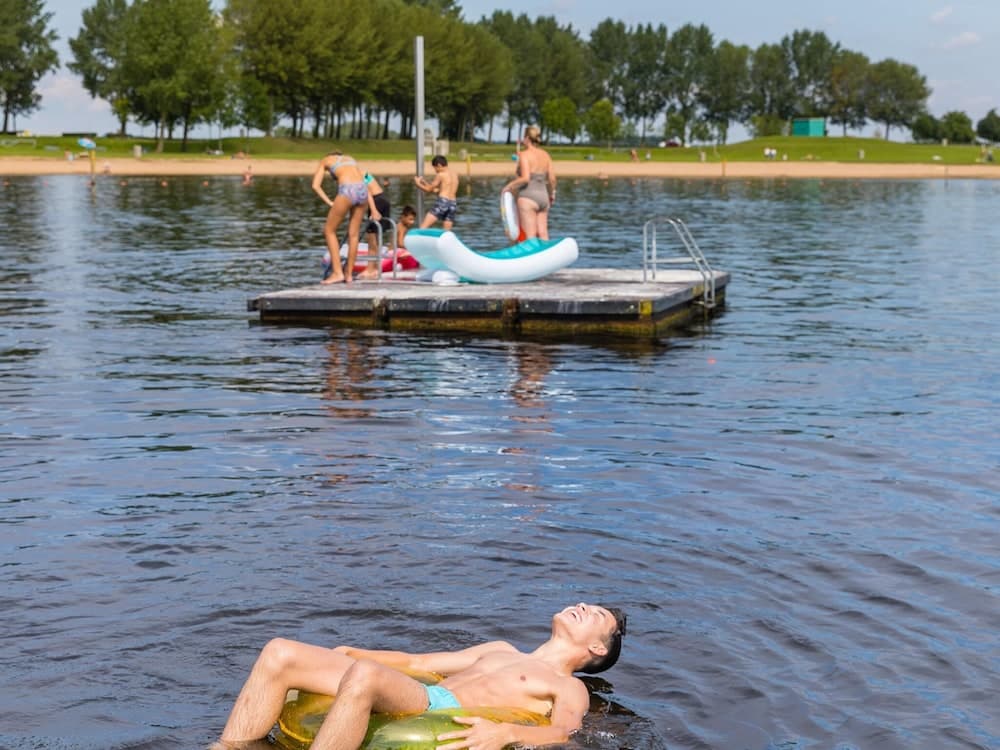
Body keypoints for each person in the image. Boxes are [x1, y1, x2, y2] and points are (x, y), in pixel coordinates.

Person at [215, 602, 626, 750]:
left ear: (598, 649)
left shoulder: (568, 687)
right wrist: (353, 651)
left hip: (434, 708)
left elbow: (563, 732)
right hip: (422, 692)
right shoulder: (499, 649)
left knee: (366, 676)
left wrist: (507, 735)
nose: (582, 605)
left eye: (596, 615)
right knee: (279, 652)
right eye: (583, 602)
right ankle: (226, 748)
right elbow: (416, 662)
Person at [312, 151, 368, 284]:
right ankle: (348, 274)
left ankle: (337, 273)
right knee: (353, 234)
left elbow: (315, 185)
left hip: (348, 190)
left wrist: (330, 202)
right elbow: (364, 178)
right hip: (363, 190)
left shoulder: (326, 160)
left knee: (329, 230)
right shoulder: (350, 158)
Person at [502, 125, 557, 240]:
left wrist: (508, 186)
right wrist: (552, 194)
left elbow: (525, 178)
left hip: (528, 197)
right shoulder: (546, 155)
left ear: (527, 138)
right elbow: (552, 179)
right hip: (543, 197)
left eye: (523, 138)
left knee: (530, 237)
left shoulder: (524, 155)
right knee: (543, 235)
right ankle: (547, 257)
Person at [357, 173, 391, 280]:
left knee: (371, 240)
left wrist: (374, 210)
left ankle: (370, 269)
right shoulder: (365, 173)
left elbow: (368, 193)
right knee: (376, 239)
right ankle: (375, 268)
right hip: (384, 199)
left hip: (376, 202)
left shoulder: (357, 176)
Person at [414, 155, 459, 229]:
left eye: (435, 168)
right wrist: (424, 182)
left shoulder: (441, 175)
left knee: (423, 227)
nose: (435, 171)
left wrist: (418, 183)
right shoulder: (455, 174)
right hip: (453, 204)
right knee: (446, 233)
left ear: (439, 165)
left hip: (442, 203)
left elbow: (428, 190)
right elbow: (438, 190)